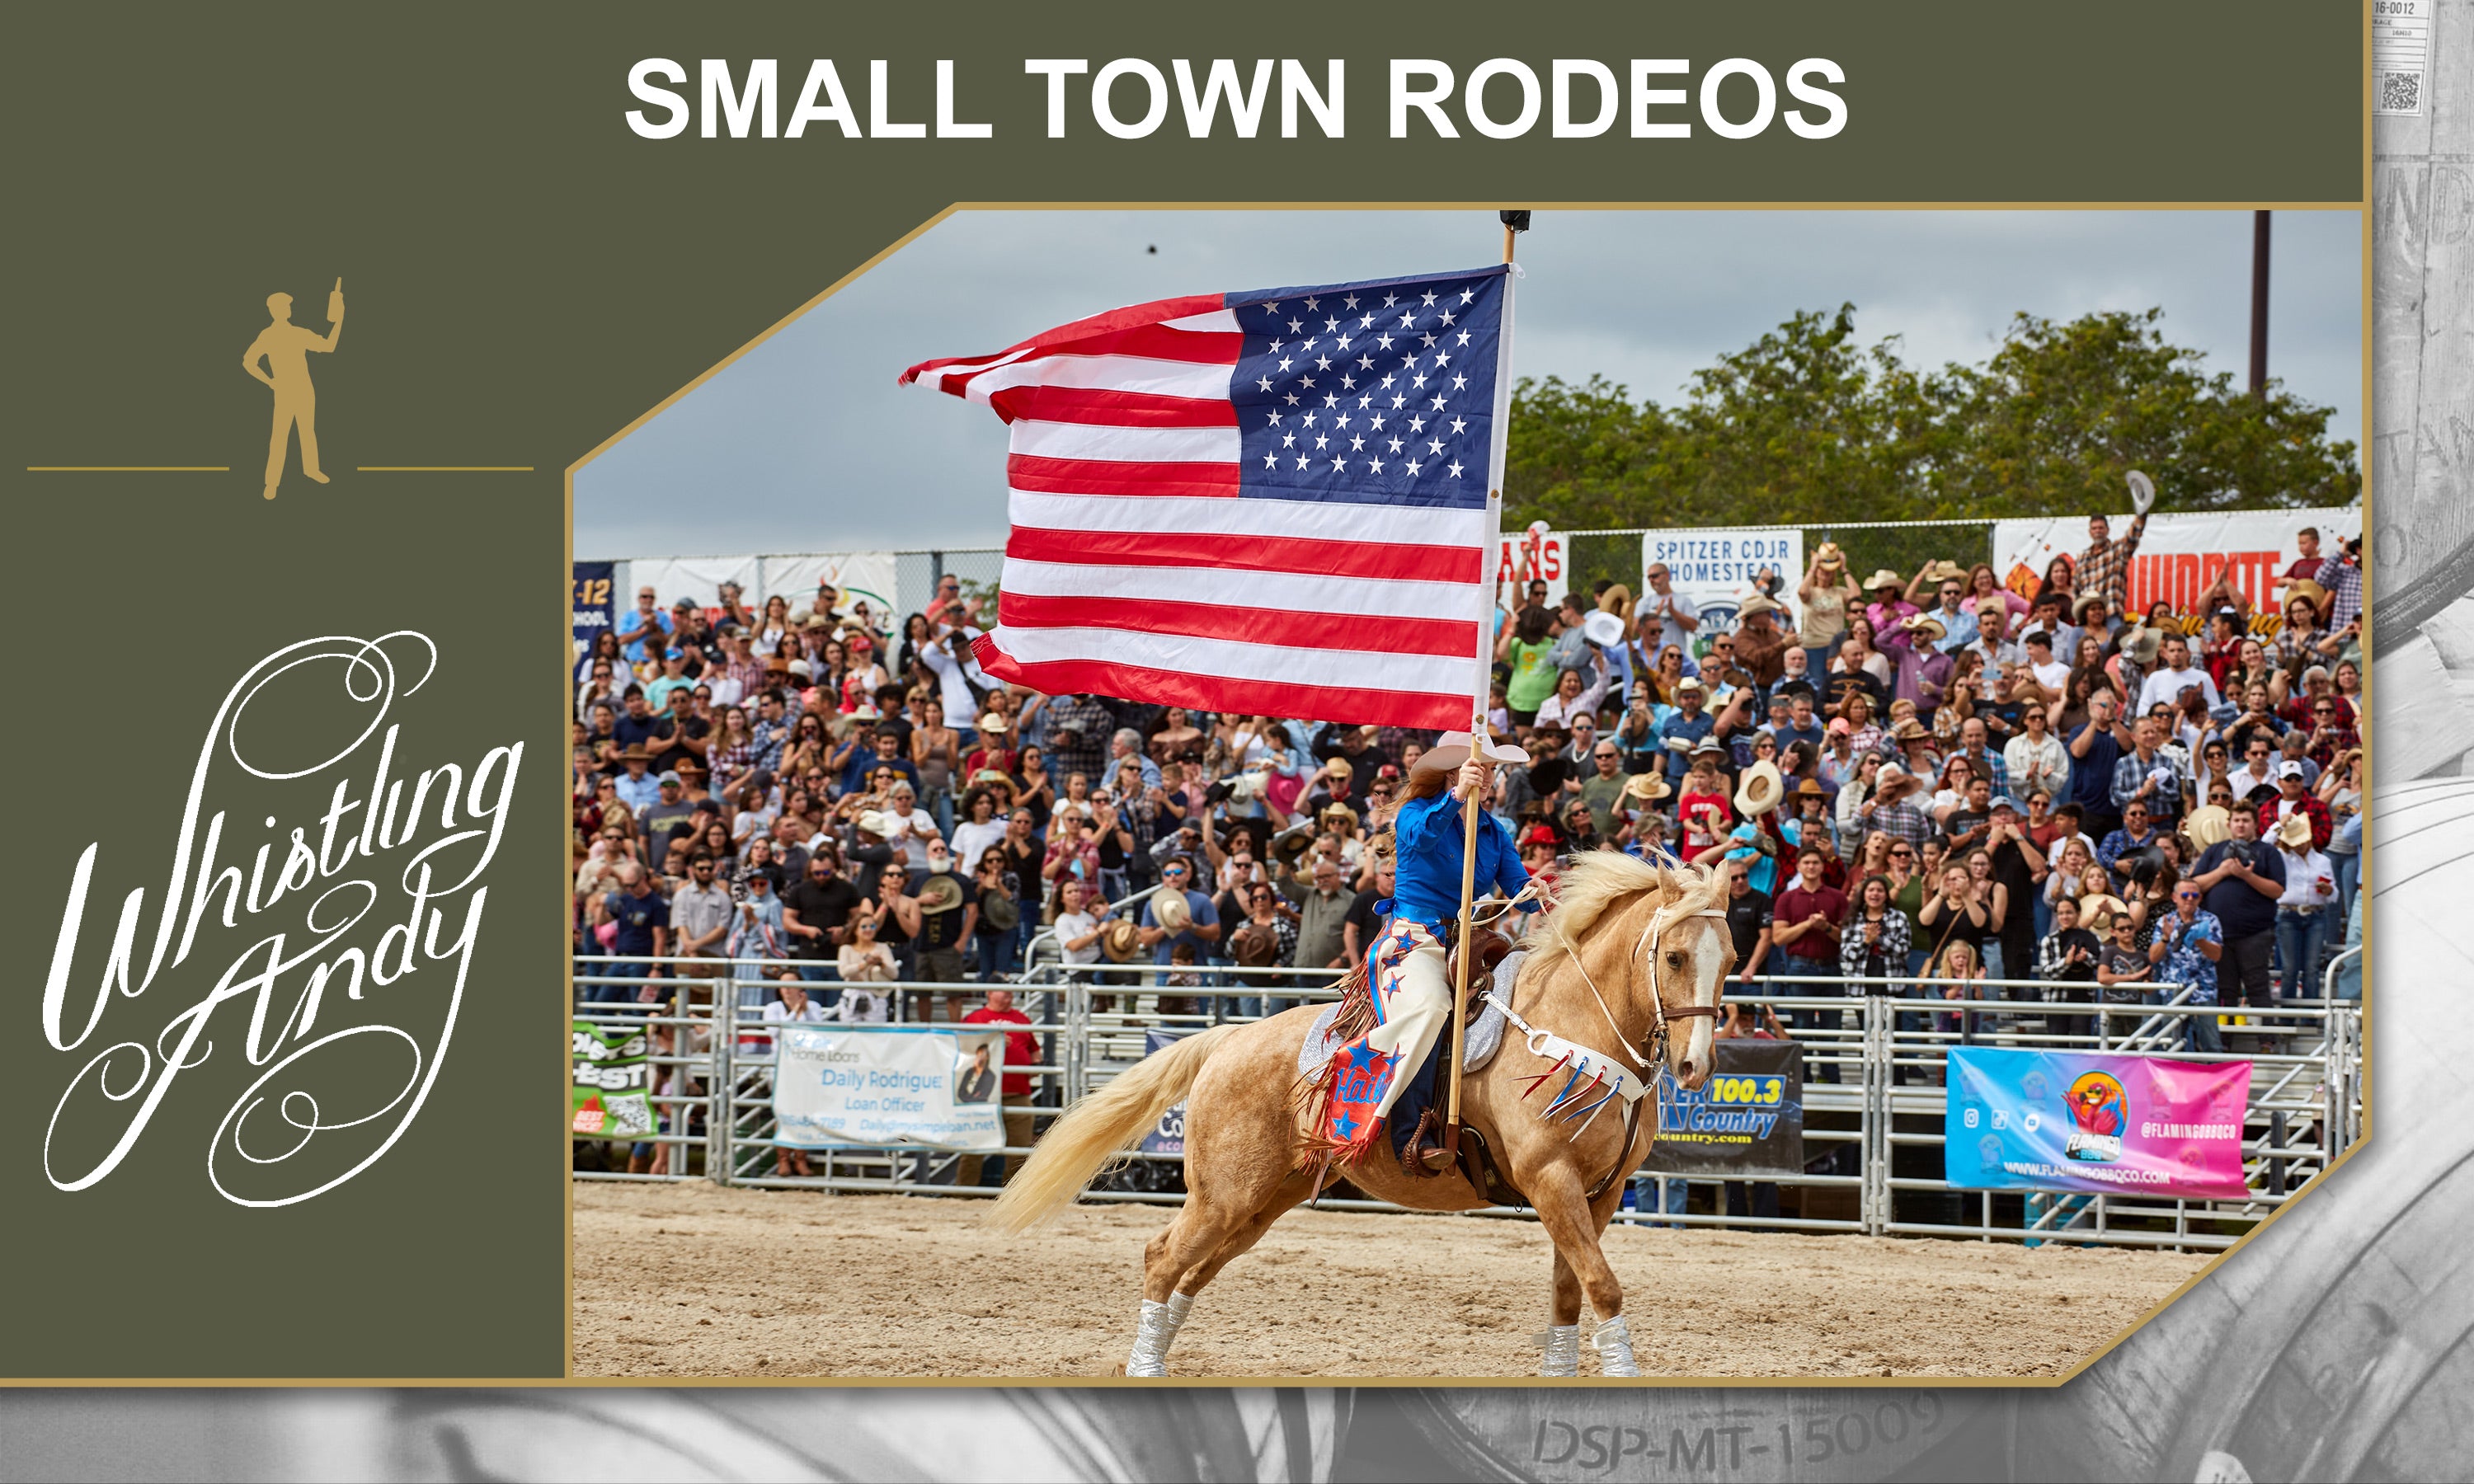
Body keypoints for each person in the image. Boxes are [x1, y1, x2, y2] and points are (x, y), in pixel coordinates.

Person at [1333, 735, 1536, 1175]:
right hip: (1412, 937)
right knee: (1433, 1007)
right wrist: (1457, 797)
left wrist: (1548, 893)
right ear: (1452, 773)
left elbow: (1520, 891)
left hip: (1466, 941)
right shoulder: (1415, 813)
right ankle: (1411, 1134)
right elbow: (1420, 841)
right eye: (1484, 769)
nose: (1492, 777)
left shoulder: (1493, 831)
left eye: (1493, 770)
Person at [958, 988, 1042, 1186]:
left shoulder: (1022, 1019)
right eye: (1003, 991)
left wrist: (1036, 1064)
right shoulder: (975, 1019)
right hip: (982, 1094)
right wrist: (990, 1041)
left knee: (1019, 1151)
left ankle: (1013, 1196)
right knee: (973, 1148)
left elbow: (1034, 1051)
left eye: (1011, 991)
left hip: (1017, 1091)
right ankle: (963, 1193)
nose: (1009, 995)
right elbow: (962, 1051)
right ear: (989, 993)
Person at [2148, 879, 2225, 1053]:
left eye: (2194, 895)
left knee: (2211, 1044)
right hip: (2173, 991)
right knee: (2171, 1045)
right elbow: (2153, 957)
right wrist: (2165, 938)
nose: (2189, 899)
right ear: (2175, 897)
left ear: (2200, 898)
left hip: (2203, 990)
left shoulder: (2210, 920)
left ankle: (2213, 1079)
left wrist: (2199, 939)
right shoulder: (2165, 921)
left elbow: (2217, 955)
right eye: (2184, 895)